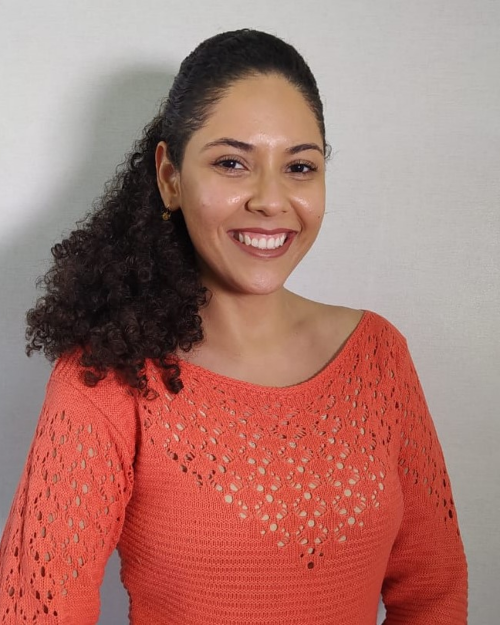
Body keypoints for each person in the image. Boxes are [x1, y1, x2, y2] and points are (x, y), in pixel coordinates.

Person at [0, 29, 467, 625]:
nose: (271, 199)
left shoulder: (378, 357)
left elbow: (434, 591)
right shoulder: (109, 375)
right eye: (231, 163)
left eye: (300, 166)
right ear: (170, 177)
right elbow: (36, 610)